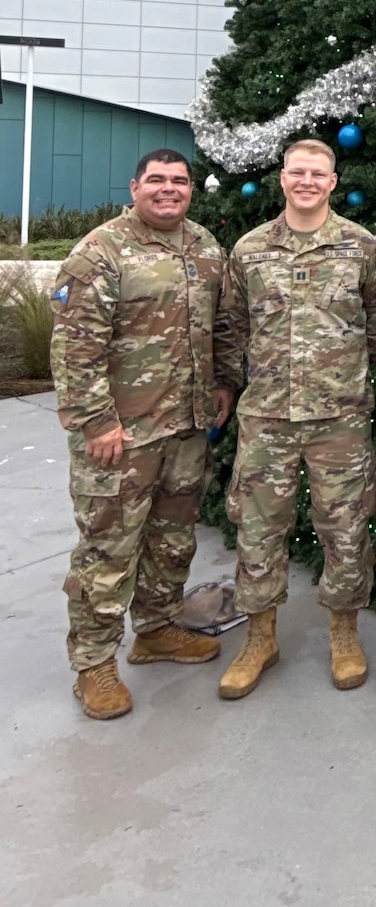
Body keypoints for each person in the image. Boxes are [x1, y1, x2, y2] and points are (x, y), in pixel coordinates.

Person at [50, 149, 231, 720]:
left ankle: (155, 631)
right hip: (121, 436)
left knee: (172, 540)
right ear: (135, 187)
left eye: (179, 181)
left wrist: (224, 382)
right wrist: (97, 420)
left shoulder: (205, 247)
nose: (169, 189)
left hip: (185, 428)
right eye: (157, 180)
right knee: (108, 549)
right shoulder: (100, 251)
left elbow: (222, 324)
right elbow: (75, 348)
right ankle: (94, 665)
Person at [215, 138, 376, 698]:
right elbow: (231, 326)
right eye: (298, 172)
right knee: (258, 529)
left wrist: (340, 377)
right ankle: (260, 636)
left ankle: (344, 632)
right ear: (283, 178)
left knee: (345, 530)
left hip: (339, 420)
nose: (307, 181)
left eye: (319, 173)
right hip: (267, 418)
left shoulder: (361, 248)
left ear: (333, 182)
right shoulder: (249, 250)